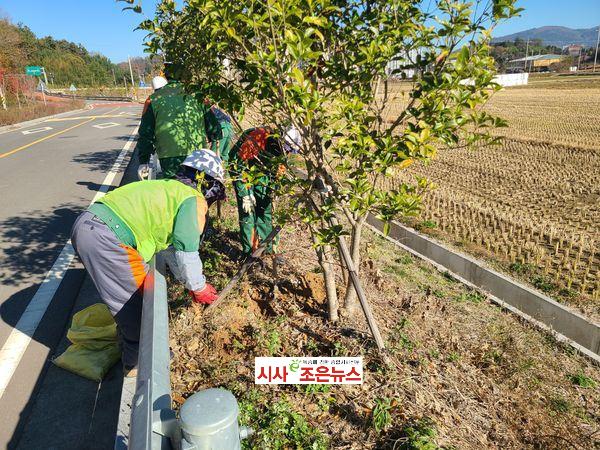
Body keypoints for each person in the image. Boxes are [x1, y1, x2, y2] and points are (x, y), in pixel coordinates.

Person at [71, 149, 226, 375]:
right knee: (139, 303)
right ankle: (139, 367)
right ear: (209, 184)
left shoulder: (169, 189)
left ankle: (130, 351)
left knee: (128, 297)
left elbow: (173, 250)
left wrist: (189, 282)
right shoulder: (193, 200)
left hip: (92, 226)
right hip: (106, 237)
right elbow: (186, 252)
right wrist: (199, 287)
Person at [136, 63, 222, 179]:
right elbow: (214, 127)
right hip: (197, 155)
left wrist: (144, 160)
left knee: (175, 192)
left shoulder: (153, 100)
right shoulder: (198, 96)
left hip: (168, 157)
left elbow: (146, 133)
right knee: (196, 190)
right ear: (185, 76)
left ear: (166, 77)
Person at [229, 126, 301, 257]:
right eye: (287, 149)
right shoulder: (259, 136)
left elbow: (279, 170)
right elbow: (238, 164)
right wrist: (245, 192)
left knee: (265, 210)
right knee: (248, 212)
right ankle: (250, 252)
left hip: (262, 172)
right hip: (243, 171)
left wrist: (274, 189)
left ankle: (268, 249)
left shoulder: (282, 150)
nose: (287, 152)